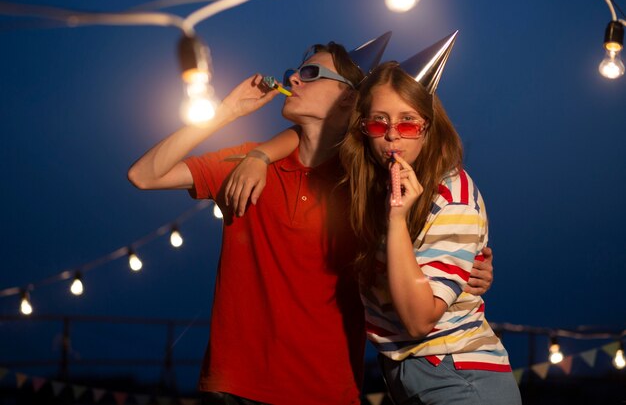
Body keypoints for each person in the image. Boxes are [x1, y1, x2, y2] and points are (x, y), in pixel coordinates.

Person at [128, 34, 494, 405]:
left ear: (349, 98)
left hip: (326, 391)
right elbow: (145, 175)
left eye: (311, 72)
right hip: (233, 387)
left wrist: (472, 267)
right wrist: (229, 112)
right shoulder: (248, 166)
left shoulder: (366, 184)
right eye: (296, 72)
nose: (294, 80)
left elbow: (425, 243)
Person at [339, 33, 522, 404]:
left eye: (408, 123)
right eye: (378, 123)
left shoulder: (451, 195)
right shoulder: (370, 185)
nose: (392, 137)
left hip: (460, 378)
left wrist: (396, 220)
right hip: (408, 376)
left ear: (428, 127)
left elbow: (420, 320)